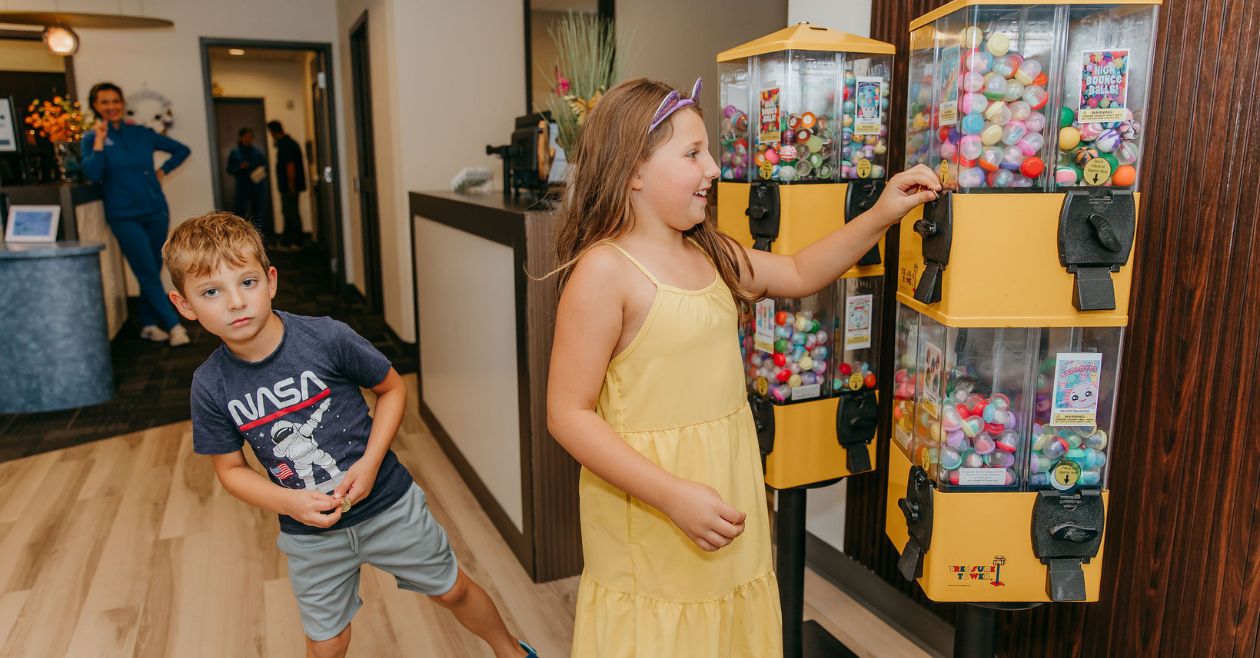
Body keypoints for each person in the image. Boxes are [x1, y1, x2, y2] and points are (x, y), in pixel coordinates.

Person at [545, 77, 941, 657]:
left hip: (724, 484)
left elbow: (801, 271)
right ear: (633, 170)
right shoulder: (605, 272)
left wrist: (883, 212)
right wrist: (673, 495)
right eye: (692, 154)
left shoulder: (711, 251)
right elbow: (567, 414)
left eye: (709, 151)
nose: (713, 168)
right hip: (652, 503)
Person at [162, 212, 539, 658]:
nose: (236, 303)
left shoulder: (326, 337)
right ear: (185, 305)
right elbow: (229, 469)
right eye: (211, 292)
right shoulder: (210, 385)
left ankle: (510, 651)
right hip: (308, 531)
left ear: (271, 280)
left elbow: (392, 389)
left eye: (247, 283)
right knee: (327, 641)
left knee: (451, 589)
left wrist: (370, 462)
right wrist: (290, 503)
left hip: (388, 505)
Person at [81, 81, 192, 346]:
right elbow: (93, 174)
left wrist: (163, 171)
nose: (111, 106)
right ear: (95, 106)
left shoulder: (142, 133)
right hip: (123, 215)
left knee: (151, 268)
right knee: (146, 271)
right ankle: (174, 326)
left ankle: (149, 324)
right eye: (104, 102)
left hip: (155, 209)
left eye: (115, 101)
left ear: (122, 103)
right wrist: (97, 142)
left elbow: (182, 150)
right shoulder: (91, 138)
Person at [266, 120, 306, 249]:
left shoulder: (286, 145)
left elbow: (290, 167)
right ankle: (288, 241)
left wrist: (290, 186)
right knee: (288, 212)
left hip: (290, 186)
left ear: (273, 131)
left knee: (291, 213)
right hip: (290, 186)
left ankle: (295, 241)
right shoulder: (288, 143)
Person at [226, 127, 269, 236]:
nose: (248, 139)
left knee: (258, 212)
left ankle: (259, 236)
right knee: (240, 211)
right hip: (242, 186)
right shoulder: (235, 153)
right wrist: (240, 167)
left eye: (250, 137)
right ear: (241, 137)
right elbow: (229, 169)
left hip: (257, 186)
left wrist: (260, 170)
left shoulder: (257, 152)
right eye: (246, 137)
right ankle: (239, 236)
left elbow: (265, 166)